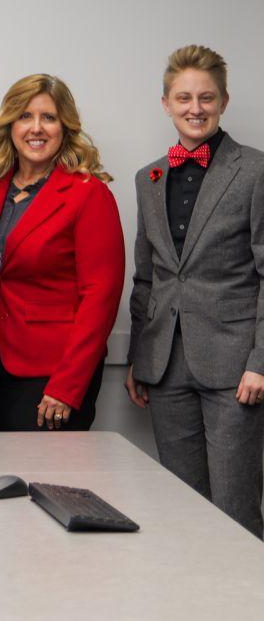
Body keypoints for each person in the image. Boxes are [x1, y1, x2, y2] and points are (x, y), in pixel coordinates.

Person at [126, 45, 264, 537]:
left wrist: (260, 362)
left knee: (234, 508)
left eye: (206, 97)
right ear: (166, 103)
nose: (195, 108)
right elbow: (148, 276)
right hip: (165, 365)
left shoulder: (255, 171)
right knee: (182, 506)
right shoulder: (148, 177)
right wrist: (140, 358)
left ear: (224, 101)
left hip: (236, 366)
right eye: (184, 97)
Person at [0, 74, 124, 432]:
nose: (36, 128)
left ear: (65, 127)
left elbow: (100, 298)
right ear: (10, 125)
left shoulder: (89, 193)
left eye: (49, 118)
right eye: (25, 116)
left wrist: (67, 386)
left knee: (44, 484)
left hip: (50, 376)